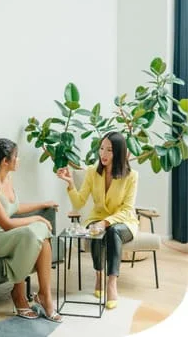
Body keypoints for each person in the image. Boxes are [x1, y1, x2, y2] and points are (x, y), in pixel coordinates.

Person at [0, 138, 62, 322]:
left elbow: (13, 208)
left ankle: (45, 295)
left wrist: (41, 204)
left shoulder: (8, 178)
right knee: (32, 232)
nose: (19, 160)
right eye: (16, 156)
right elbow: (6, 223)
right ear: (5, 162)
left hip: (0, 235)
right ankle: (18, 293)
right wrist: (37, 217)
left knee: (41, 235)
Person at [57, 131, 139, 309]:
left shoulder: (132, 176)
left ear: (118, 153)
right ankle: (99, 275)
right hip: (97, 219)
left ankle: (111, 282)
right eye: (102, 148)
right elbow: (79, 202)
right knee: (96, 228)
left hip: (124, 222)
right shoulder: (92, 172)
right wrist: (70, 183)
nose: (103, 154)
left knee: (112, 230)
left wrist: (106, 222)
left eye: (109, 150)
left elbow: (127, 209)